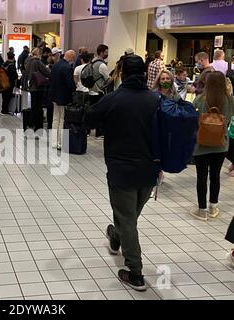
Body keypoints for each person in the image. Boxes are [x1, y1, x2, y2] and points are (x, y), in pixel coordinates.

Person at [86, 55, 161, 292]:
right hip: (150, 170)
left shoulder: (115, 98)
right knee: (130, 214)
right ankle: (116, 238)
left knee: (127, 218)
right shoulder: (156, 99)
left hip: (122, 169)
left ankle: (136, 273)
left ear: (122, 73)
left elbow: (89, 117)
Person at [190, 71, 234, 221]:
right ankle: (213, 207)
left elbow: (193, 119)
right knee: (215, 176)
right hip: (221, 144)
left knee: (201, 177)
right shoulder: (229, 100)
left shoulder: (200, 100)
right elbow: (229, 120)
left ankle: (201, 210)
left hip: (201, 144)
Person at [50, 50, 77, 150]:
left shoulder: (55, 65)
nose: (73, 60)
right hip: (64, 97)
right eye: (73, 58)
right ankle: (60, 143)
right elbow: (70, 84)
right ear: (70, 57)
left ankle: (53, 142)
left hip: (54, 95)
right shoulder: (68, 68)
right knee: (62, 120)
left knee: (55, 119)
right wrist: (75, 88)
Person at [25, 48, 51, 133]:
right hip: (39, 87)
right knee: (38, 108)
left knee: (33, 107)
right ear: (39, 53)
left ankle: (30, 123)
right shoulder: (37, 61)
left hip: (32, 86)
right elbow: (47, 72)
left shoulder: (28, 61)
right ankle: (38, 126)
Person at [90, 44, 110, 139]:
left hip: (90, 90)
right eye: (106, 52)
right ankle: (99, 132)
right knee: (100, 112)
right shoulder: (102, 65)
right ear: (101, 52)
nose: (107, 54)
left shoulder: (92, 61)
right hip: (99, 91)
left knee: (91, 111)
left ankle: (89, 130)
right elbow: (108, 79)